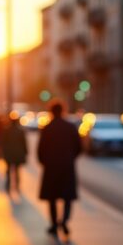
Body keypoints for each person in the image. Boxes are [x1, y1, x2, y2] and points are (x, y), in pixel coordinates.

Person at [37, 100, 81, 237]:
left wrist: (45, 161)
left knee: (52, 197)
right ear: (62, 111)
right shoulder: (70, 127)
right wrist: (70, 158)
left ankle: (54, 224)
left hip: (51, 167)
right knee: (67, 197)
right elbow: (79, 147)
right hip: (67, 166)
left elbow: (41, 149)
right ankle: (64, 221)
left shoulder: (47, 128)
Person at [2, 113, 27, 192]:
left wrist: (3, 152)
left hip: (9, 153)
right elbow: (24, 143)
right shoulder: (20, 131)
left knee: (8, 170)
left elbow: (3, 142)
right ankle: (17, 186)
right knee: (16, 171)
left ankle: (8, 185)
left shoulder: (6, 130)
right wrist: (26, 152)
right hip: (18, 154)